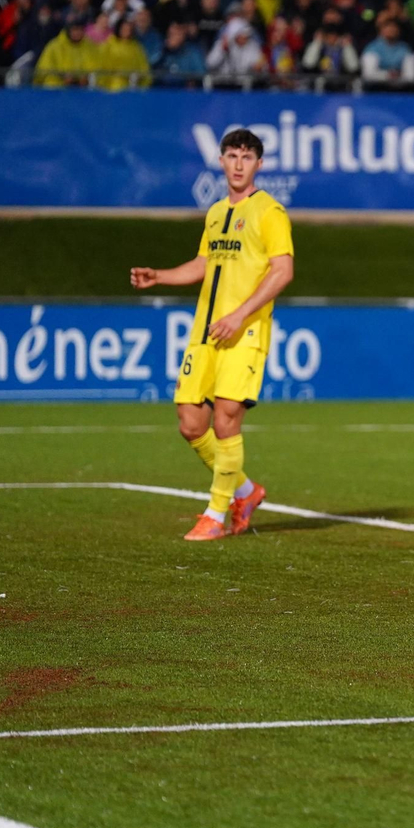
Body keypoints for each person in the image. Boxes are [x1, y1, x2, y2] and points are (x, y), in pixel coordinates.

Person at [129, 129, 295, 539]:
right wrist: (161, 276)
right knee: (190, 423)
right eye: (232, 155)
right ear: (220, 161)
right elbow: (205, 263)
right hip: (205, 332)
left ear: (259, 164)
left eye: (247, 157)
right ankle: (245, 490)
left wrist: (240, 315)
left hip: (244, 332)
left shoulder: (269, 212)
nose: (239, 164)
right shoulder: (217, 212)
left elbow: (283, 270)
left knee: (225, 420)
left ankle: (215, 515)